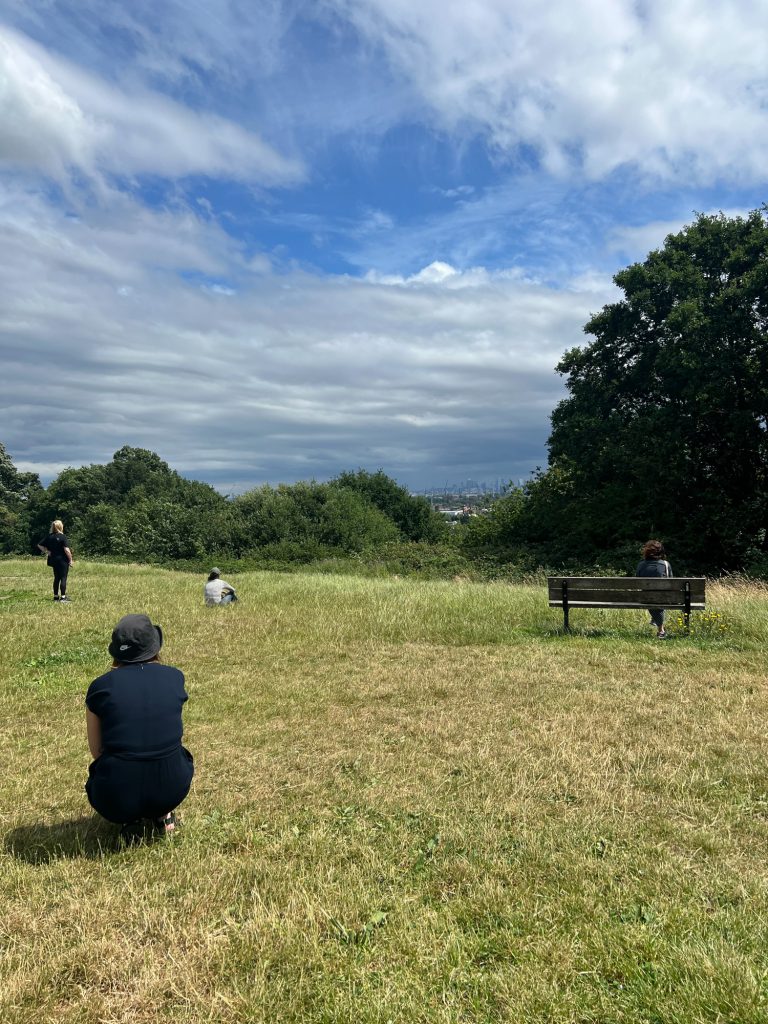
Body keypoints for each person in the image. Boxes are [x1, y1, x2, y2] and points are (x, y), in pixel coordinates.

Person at [85, 614, 194, 838]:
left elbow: (97, 751)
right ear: (154, 647)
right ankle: (163, 813)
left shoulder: (100, 688)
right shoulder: (175, 677)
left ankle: (130, 817)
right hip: (173, 787)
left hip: (115, 797)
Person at [636, 540, 672, 639]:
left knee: (649, 595)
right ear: (661, 552)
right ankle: (661, 630)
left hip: (645, 598)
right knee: (660, 596)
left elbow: (638, 582)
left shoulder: (641, 565)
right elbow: (671, 583)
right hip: (664, 598)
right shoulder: (665, 564)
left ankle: (657, 623)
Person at [37, 519, 74, 602]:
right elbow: (66, 550)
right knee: (63, 578)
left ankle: (56, 597)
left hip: (53, 559)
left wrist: (47, 551)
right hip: (62, 560)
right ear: (60, 527)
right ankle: (63, 598)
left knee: (56, 578)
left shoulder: (49, 536)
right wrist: (70, 559)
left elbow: (39, 545)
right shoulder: (62, 536)